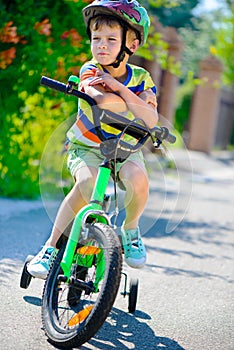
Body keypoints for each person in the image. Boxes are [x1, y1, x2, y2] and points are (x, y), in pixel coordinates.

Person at [27, 0, 158, 279]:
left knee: (139, 180)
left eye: (111, 39)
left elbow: (151, 120)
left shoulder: (144, 77)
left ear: (131, 46)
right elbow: (102, 101)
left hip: (126, 149)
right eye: (96, 38)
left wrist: (119, 87)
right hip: (87, 147)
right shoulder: (90, 69)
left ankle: (130, 230)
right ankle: (50, 249)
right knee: (86, 183)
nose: (101, 45)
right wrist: (132, 101)